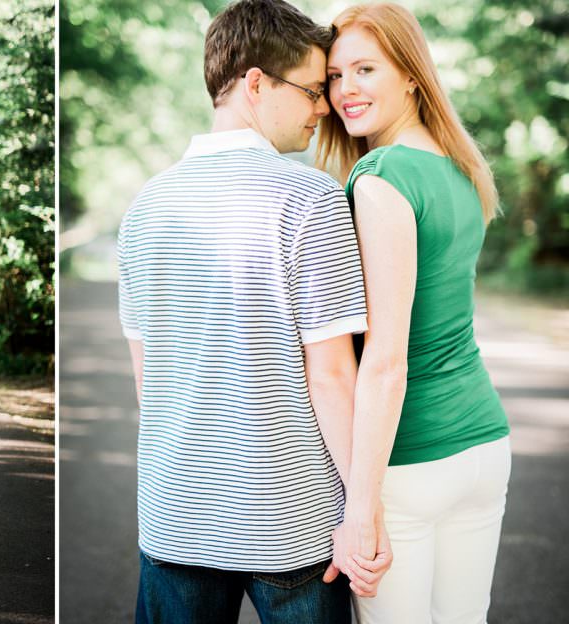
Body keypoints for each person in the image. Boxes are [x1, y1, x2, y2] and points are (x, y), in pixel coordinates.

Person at [118, 1, 390, 621]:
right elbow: (331, 376)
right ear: (257, 83)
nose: (325, 108)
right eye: (313, 90)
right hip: (291, 524)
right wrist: (362, 512)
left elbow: (149, 380)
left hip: (175, 514)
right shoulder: (311, 198)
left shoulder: (144, 208)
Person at [317, 4, 511, 622]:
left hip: (410, 460)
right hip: (483, 447)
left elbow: (385, 359)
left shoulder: (382, 177)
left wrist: (359, 508)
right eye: (335, 76)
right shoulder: (461, 169)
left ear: (409, 74)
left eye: (365, 69)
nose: (346, 90)